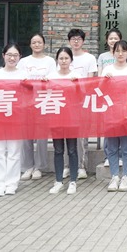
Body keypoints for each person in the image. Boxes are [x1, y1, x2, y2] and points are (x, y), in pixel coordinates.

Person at [0, 43, 27, 197]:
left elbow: (31, 94)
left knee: (14, 152)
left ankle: (11, 184)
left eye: (15, 55)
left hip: (16, 119)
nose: (12, 58)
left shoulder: (24, 75)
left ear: (20, 57)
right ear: (3, 56)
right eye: (9, 55)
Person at [100, 40, 127, 192]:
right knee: (112, 147)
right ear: (113, 53)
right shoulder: (107, 69)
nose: (120, 54)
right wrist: (105, 81)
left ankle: (126, 176)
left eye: (124, 51)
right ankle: (114, 176)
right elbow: (100, 90)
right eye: (117, 51)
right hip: (110, 112)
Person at [17, 33, 54, 181]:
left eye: (39, 42)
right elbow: (19, 80)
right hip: (26, 103)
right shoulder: (23, 62)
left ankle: (39, 167)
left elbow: (53, 80)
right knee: (26, 136)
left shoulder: (50, 61)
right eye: (34, 42)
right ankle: (27, 166)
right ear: (30, 45)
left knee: (41, 137)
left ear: (44, 44)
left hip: (43, 102)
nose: (37, 45)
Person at [47, 47, 80, 195]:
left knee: (72, 149)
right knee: (58, 150)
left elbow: (83, 94)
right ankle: (58, 181)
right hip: (56, 117)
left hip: (72, 117)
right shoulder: (51, 76)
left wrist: (77, 84)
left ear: (71, 60)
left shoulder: (76, 75)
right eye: (61, 58)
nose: (64, 61)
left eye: (66, 58)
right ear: (57, 60)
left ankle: (73, 181)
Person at [66, 28, 97, 180]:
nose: (76, 41)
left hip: (83, 101)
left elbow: (90, 82)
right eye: (73, 39)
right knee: (66, 134)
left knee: (82, 136)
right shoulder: (65, 56)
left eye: (79, 39)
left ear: (83, 41)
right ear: (69, 41)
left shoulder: (89, 58)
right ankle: (67, 166)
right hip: (66, 102)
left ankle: (81, 166)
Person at [96, 28, 123, 168]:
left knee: (121, 127)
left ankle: (120, 155)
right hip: (107, 96)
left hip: (121, 96)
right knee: (108, 127)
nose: (113, 41)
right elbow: (99, 76)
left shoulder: (124, 55)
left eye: (116, 38)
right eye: (111, 38)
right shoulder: (102, 56)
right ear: (107, 40)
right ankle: (109, 156)